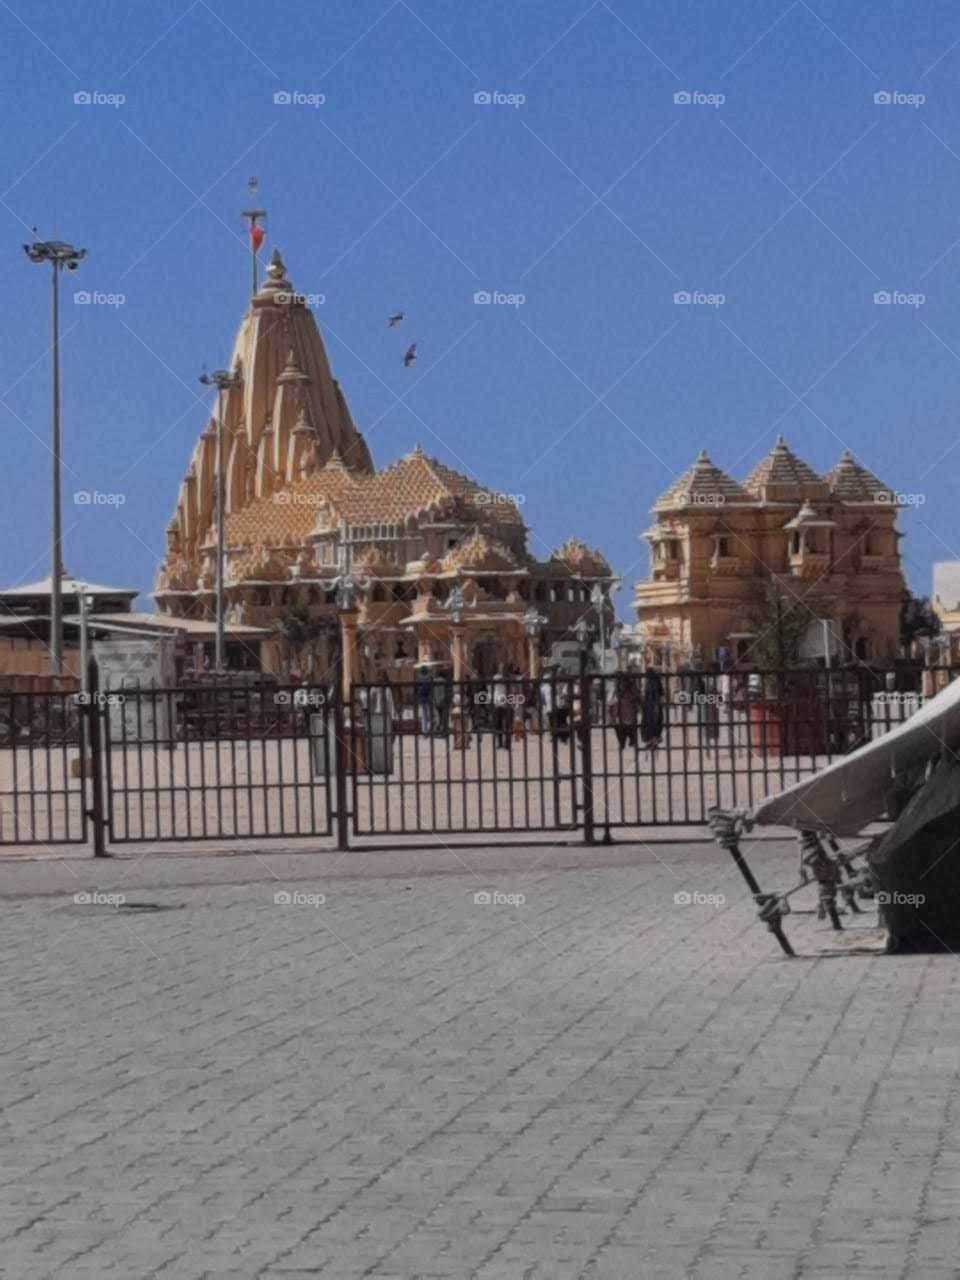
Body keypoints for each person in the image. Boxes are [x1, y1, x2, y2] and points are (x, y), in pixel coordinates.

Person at [610, 672, 640, 751]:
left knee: (623, 727)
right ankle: (627, 741)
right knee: (622, 727)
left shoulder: (627, 686)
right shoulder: (625, 686)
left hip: (626, 710)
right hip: (624, 711)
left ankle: (627, 741)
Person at [491, 664, 512, 749]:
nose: (502, 670)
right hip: (497, 703)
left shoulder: (508, 678)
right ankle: (499, 743)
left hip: (507, 704)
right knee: (498, 725)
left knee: (507, 725)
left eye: (503, 668)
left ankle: (507, 743)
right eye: (501, 668)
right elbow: (500, 680)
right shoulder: (496, 677)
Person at [415, 664, 433, 736]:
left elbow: (416, 689)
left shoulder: (418, 678)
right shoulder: (429, 678)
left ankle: (424, 731)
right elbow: (431, 689)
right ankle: (428, 730)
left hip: (421, 699)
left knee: (423, 716)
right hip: (428, 698)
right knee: (429, 716)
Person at [433, 668, 452, 736]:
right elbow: (448, 692)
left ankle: (437, 731)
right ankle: (444, 731)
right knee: (444, 718)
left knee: (438, 717)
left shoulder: (434, 681)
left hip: (436, 701)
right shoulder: (445, 681)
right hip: (443, 701)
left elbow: (432, 692)